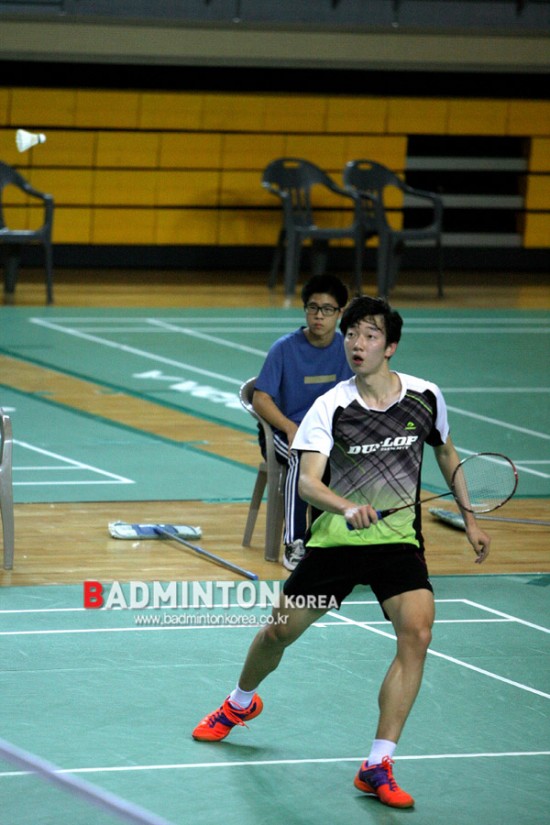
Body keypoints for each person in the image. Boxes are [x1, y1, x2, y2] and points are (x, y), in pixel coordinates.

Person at [192, 295, 491, 809]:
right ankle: (240, 702)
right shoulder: (330, 406)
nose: (357, 343)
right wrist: (347, 506)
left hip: (397, 541)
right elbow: (307, 482)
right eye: (352, 334)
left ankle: (377, 763)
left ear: (390, 346)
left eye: (370, 335)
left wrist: (470, 519)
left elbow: (445, 450)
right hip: (336, 542)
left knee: (417, 633)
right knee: (278, 632)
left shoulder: (425, 397)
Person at [252, 274, 352, 571]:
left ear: (340, 313)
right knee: (303, 456)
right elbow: (260, 398)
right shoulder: (284, 348)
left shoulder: (347, 349)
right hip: (284, 434)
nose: (319, 316)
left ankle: (338, 541)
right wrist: (289, 427)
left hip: (330, 436)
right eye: (313, 307)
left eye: (327, 309)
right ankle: (295, 542)